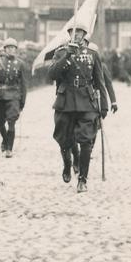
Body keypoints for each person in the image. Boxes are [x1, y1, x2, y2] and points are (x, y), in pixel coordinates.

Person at [48, 22, 112, 193]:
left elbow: (100, 81)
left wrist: (104, 106)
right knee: (64, 140)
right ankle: (68, 163)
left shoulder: (92, 54)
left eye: (79, 32)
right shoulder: (61, 52)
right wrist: (66, 56)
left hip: (86, 102)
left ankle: (83, 179)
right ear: (68, 33)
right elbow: (52, 74)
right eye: (72, 32)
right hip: (65, 100)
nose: (75, 35)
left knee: (86, 142)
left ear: (85, 34)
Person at [0, 38, 27, 158]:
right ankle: (5, 140)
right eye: (8, 47)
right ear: (5, 49)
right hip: (0, 95)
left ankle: (9, 149)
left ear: (16, 50)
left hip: (14, 95)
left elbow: (23, 84)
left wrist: (22, 101)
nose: (11, 50)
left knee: (11, 122)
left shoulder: (20, 64)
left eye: (13, 48)